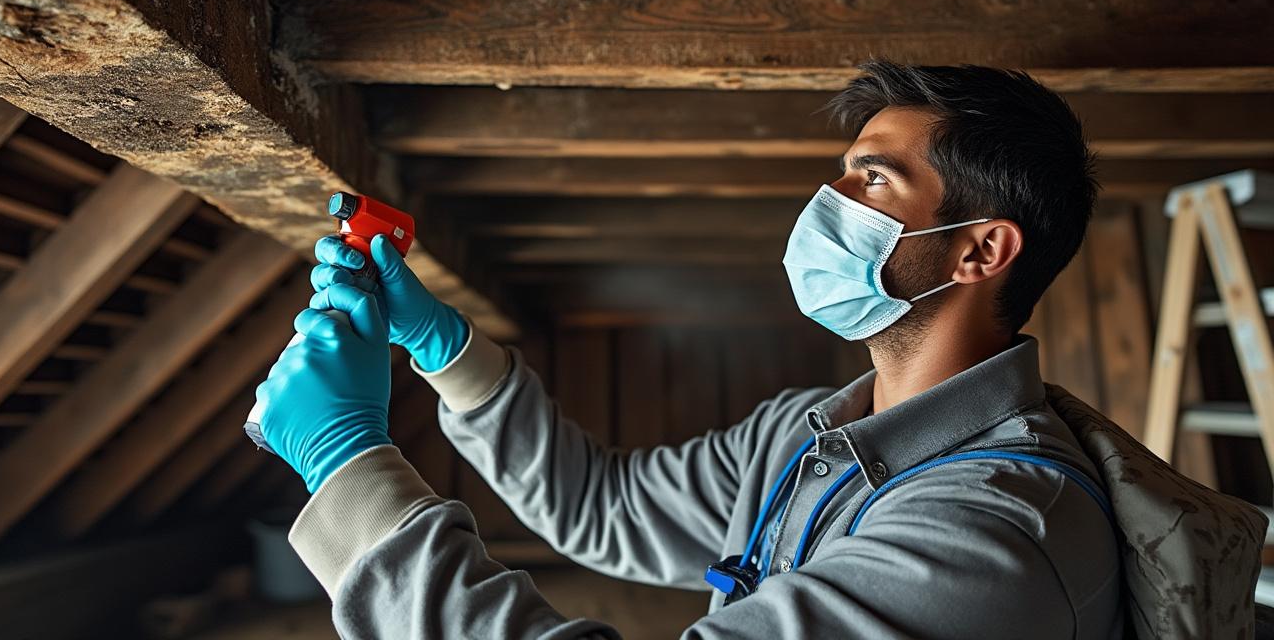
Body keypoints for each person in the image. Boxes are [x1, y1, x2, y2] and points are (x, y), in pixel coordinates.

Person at [250, 62, 1128, 638]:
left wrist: (346, 466)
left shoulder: (994, 532)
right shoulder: (806, 437)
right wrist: (449, 353)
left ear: (982, 251)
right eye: (841, 172)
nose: (827, 202)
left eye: (872, 179)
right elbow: (601, 508)